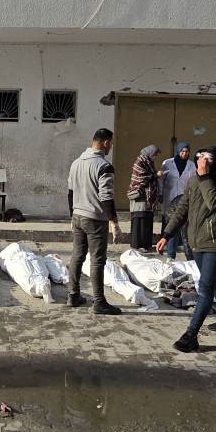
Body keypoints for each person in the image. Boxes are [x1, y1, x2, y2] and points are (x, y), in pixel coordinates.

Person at [157, 146, 216, 353]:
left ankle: (191, 335)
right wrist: (166, 235)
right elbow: (181, 211)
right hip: (196, 241)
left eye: (207, 158)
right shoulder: (194, 180)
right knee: (211, 280)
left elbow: (215, 203)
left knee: (204, 288)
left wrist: (204, 177)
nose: (202, 162)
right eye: (200, 158)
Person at [67, 128, 123, 315]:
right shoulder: (104, 166)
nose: (111, 147)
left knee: (77, 255)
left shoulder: (76, 163)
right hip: (95, 219)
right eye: (111, 143)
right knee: (97, 260)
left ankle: (73, 295)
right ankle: (99, 301)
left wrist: (71, 215)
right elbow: (106, 197)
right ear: (106, 142)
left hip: (77, 216)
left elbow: (70, 192)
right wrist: (114, 222)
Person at [159, 141, 197, 261]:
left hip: (183, 199)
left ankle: (187, 256)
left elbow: (194, 182)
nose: (184, 153)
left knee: (182, 226)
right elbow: (161, 180)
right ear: (178, 151)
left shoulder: (191, 165)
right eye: (182, 151)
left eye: (186, 151)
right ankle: (170, 255)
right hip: (169, 197)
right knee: (171, 225)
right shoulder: (168, 163)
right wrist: (160, 193)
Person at [126, 145, 162, 251]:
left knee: (147, 220)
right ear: (150, 153)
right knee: (139, 220)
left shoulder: (148, 162)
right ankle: (137, 245)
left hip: (147, 198)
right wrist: (156, 175)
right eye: (154, 155)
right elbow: (141, 178)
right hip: (140, 197)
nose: (155, 157)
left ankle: (146, 244)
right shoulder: (140, 162)